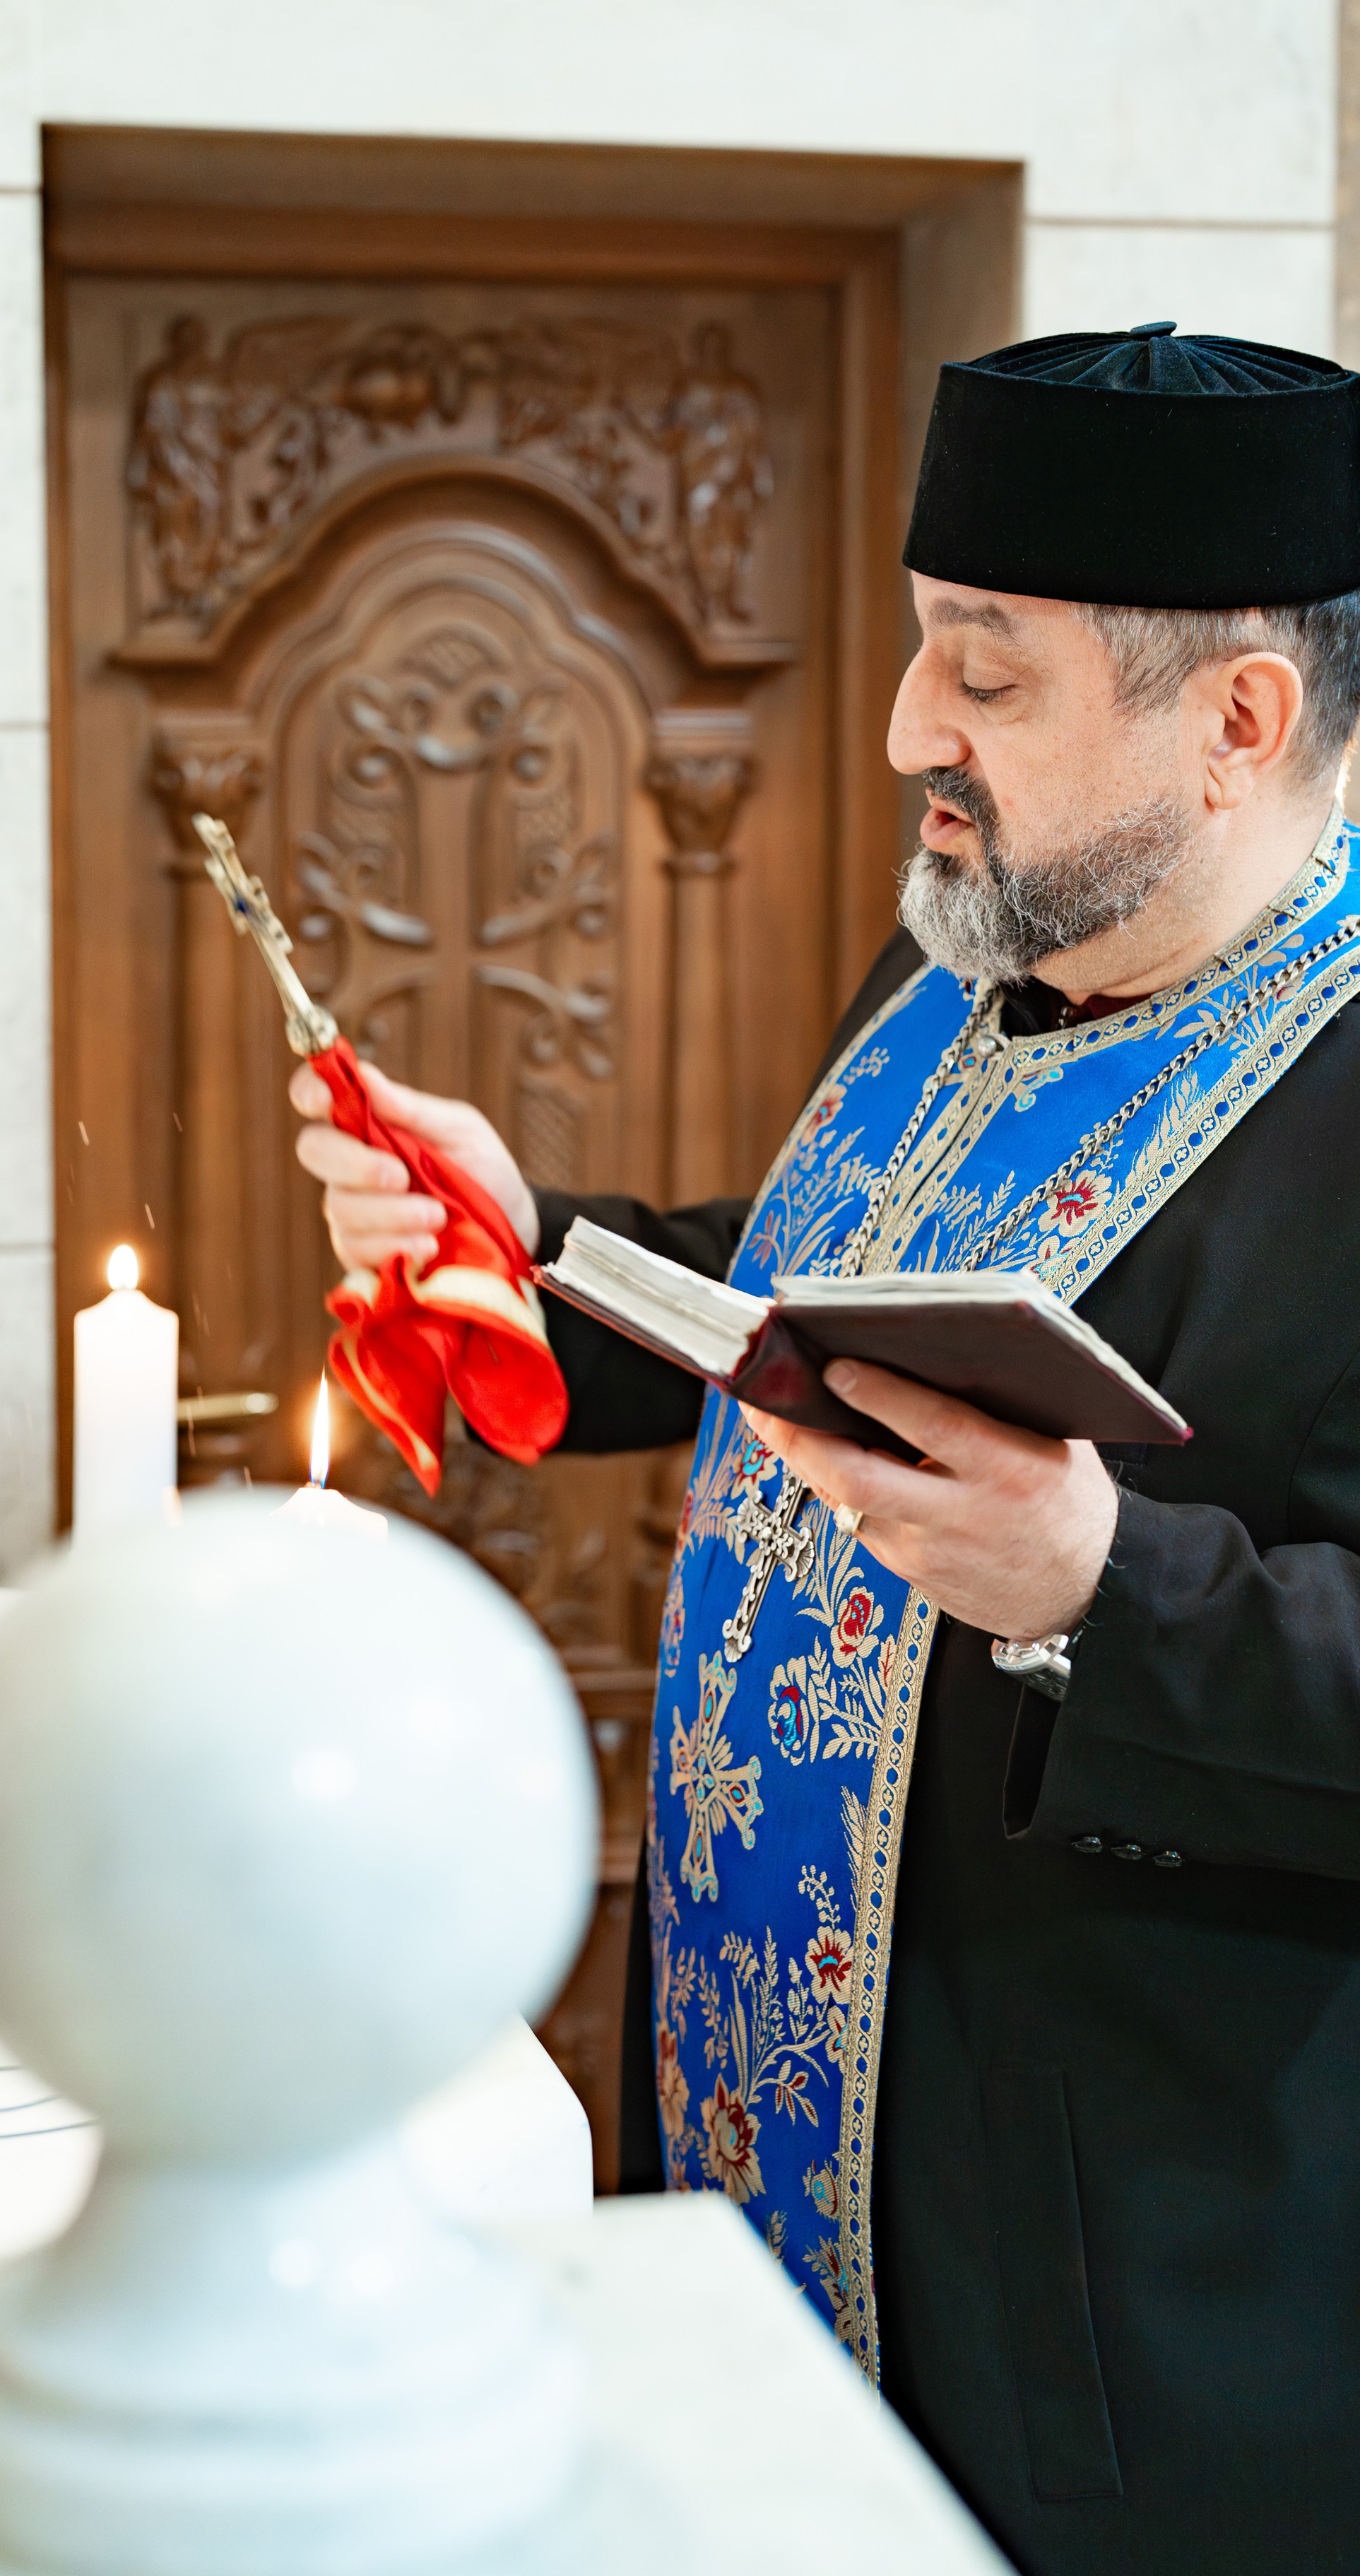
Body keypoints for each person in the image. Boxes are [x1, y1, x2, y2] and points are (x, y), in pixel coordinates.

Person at [290, 323, 1360, 2576]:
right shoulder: (973, 960)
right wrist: (540, 1243)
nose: (908, 738)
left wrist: (1100, 1588)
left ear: (1235, 720)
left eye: (984, 676)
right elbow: (815, 1312)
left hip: (1120, 2277)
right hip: (781, 2106)